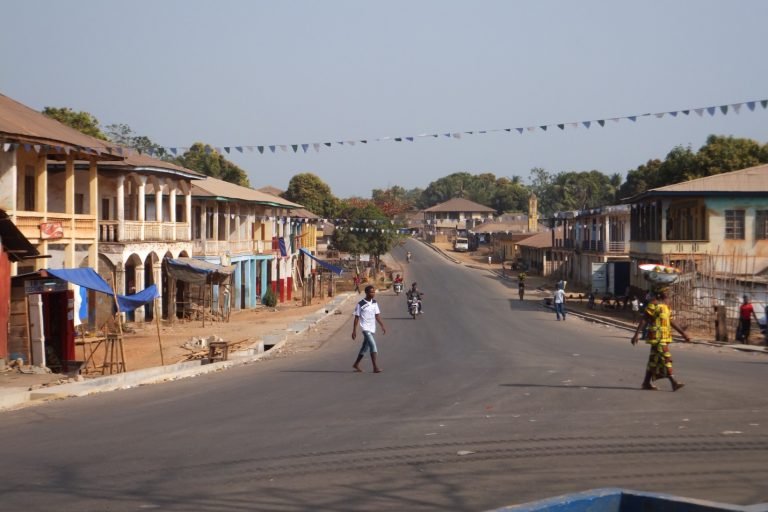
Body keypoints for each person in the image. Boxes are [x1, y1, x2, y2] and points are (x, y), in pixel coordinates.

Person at [631, 290, 690, 391]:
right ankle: (673, 382)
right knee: (666, 358)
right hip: (656, 337)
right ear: (660, 293)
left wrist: (683, 334)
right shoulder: (653, 305)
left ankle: (646, 383)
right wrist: (636, 335)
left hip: (664, 337)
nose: (668, 293)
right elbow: (644, 319)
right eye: (666, 291)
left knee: (653, 361)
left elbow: (671, 321)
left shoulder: (666, 306)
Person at [351, 285, 386, 373]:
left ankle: (356, 364)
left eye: (373, 292)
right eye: (371, 292)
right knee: (373, 346)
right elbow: (356, 317)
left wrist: (382, 325)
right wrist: (354, 330)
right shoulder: (361, 304)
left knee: (364, 348)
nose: (373, 293)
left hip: (372, 328)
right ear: (366, 293)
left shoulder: (374, 302)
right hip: (365, 328)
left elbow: (377, 315)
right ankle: (375, 367)